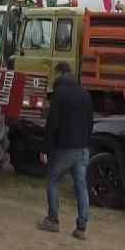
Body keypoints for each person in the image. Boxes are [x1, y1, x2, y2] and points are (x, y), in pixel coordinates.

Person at [38, 62, 94, 240]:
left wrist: (45, 148)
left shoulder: (59, 94)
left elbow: (52, 124)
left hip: (64, 148)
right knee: (81, 186)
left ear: (60, 74)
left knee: (53, 180)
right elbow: (90, 123)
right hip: (82, 148)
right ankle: (81, 228)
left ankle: (53, 220)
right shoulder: (85, 94)